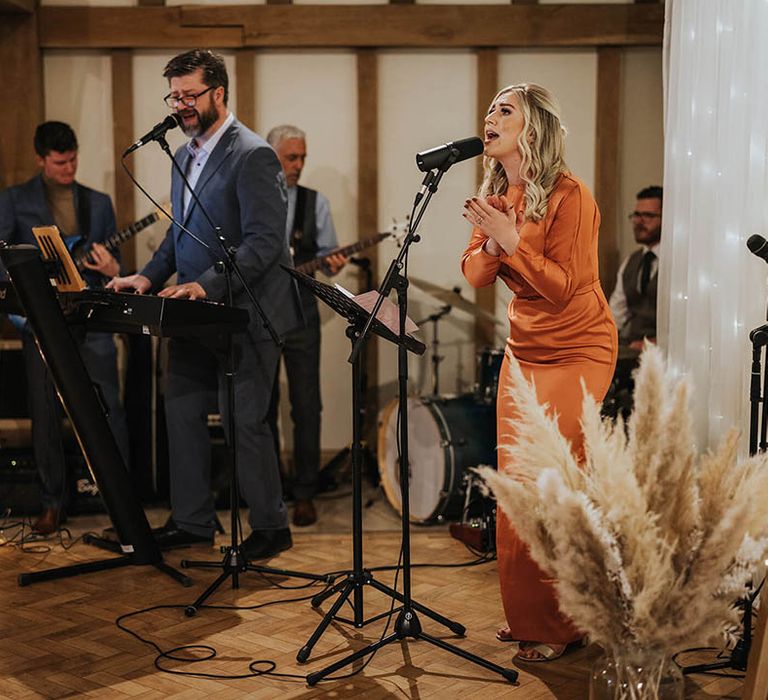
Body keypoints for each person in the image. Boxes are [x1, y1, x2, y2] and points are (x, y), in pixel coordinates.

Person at [108, 49, 302, 559]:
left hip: (246, 313)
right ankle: (193, 520)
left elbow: (265, 244)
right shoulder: (184, 153)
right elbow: (179, 237)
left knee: (245, 423)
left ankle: (270, 528)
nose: (180, 105)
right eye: (174, 95)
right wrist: (146, 278)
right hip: (195, 314)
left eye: (190, 95)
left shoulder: (253, 154)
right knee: (181, 409)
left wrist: (206, 285)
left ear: (219, 92)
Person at [461, 83, 617, 662]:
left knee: (553, 487)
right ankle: (529, 615)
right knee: (515, 487)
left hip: (578, 347)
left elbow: (560, 287)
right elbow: (475, 274)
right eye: (490, 110)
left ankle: (564, 622)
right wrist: (494, 241)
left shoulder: (571, 195)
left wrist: (507, 241)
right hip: (523, 351)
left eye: (504, 110)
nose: (489, 116)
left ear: (533, 128)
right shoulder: (498, 192)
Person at [0, 121, 130, 535]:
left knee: (109, 409)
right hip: (39, 324)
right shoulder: (13, 200)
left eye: (73, 160)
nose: (68, 168)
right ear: (41, 159)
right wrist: (24, 317)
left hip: (90, 321)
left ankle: (121, 504)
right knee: (45, 414)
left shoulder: (99, 202)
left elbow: (117, 269)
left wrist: (115, 268)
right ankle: (52, 502)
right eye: (60, 162)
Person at [264, 125, 347, 527]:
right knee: (258, 407)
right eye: (290, 157)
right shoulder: (254, 197)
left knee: (307, 405)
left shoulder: (317, 204)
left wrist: (333, 263)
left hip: (301, 314)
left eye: (302, 158)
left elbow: (328, 253)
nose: (298, 165)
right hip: (258, 314)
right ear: (271, 155)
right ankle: (265, 490)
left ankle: (305, 493)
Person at [609, 185, 662, 348]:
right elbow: (615, 316)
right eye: (636, 215)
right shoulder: (630, 262)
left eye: (647, 215)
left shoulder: (677, 264)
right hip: (630, 351)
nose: (638, 222)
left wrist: (656, 343)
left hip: (666, 355)